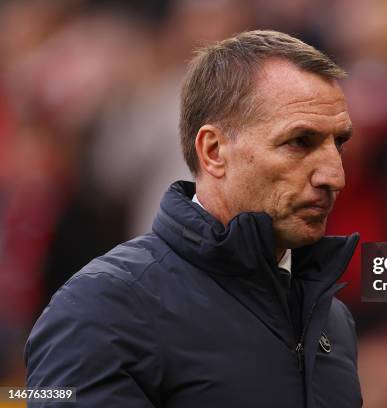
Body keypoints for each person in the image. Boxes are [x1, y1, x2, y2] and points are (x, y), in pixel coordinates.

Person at [24, 30, 361, 407]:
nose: (335, 176)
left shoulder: (332, 320)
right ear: (214, 151)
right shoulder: (102, 308)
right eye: (300, 142)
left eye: (339, 143)